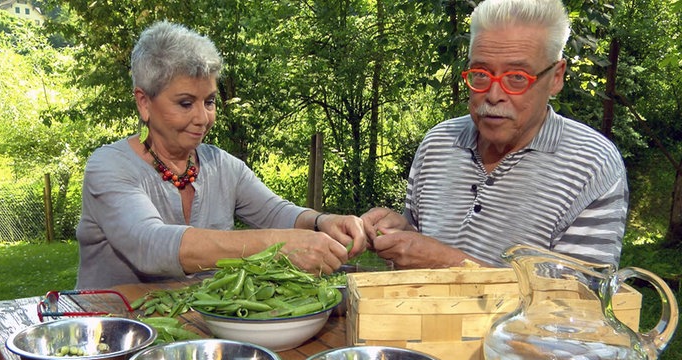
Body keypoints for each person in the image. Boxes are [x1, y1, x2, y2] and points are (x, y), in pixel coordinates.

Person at [76, 21, 366, 289]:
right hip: (111, 333)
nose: (203, 118)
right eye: (186, 103)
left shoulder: (222, 165)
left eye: (210, 101)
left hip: (197, 332)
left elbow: (275, 213)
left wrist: (322, 222)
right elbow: (150, 244)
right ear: (144, 103)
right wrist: (276, 246)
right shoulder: (109, 166)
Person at [361, 0, 628, 269]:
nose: (493, 95)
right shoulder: (438, 144)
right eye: (481, 74)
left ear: (556, 77)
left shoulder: (592, 164)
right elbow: (422, 248)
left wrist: (451, 263)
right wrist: (404, 233)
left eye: (517, 78)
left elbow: (582, 300)